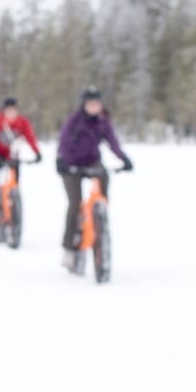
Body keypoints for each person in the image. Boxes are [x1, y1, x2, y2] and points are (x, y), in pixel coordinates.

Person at [56, 87, 132, 268]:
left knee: (104, 174)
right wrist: (61, 161)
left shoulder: (102, 121)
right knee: (75, 203)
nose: (94, 107)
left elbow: (112, 142)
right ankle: (68, 248)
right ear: (84, 105)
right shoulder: (74, 121)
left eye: (97, 104)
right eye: (90, 104)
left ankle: (100, 212)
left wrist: (124, 158)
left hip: (92, 162)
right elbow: (63, 143)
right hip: (71, 164)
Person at [0, 96, 42, 187]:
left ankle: (15, 192)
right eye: (8, 110)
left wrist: (37, 153)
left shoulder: (22, 122)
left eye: (13, 110)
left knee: (15, 171)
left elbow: (30, 137)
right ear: (3, 111)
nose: (11, 113)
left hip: (13, 153)